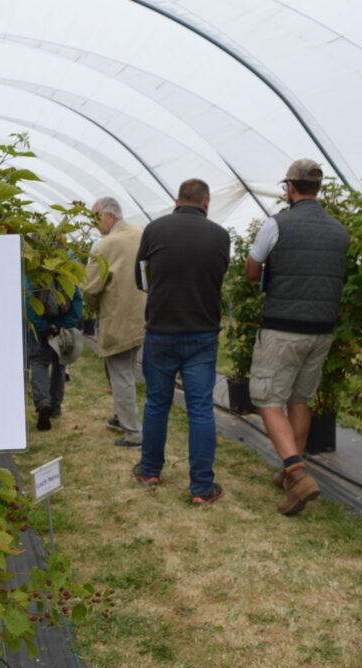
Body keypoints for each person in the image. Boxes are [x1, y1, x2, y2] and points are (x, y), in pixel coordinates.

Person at [245, 159, 349, 515]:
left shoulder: (277, 224)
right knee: (299, 400)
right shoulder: (339, 230)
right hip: (321, 330)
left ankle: (297, 472)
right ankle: (291, 471)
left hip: (282, 327)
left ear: (290, 188)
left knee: (268, 399)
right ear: (318, 188)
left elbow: (250, 270)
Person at [133, 179, 230, 505]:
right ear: (206, 202)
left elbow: (141, 278)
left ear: (177, 199)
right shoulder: (220, 235)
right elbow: (218, 277)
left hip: (161, 331)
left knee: (157, 404)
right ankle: (202, 488)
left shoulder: (154, 229)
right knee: (201, 409)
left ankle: (149, 471)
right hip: (202, 333)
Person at [81, 197, 146, 447]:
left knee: (121, 375)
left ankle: (133, 433)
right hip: (141, 315)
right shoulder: (141, 234)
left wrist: (98, 307)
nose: (96, 224)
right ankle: (121, 417)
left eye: (96, 218)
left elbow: (88, 287)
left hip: (117, 318)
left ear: (108, 216)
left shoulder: (105, 245)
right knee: (128, 370)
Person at [25, 273, 83, 431]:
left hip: (40, 329)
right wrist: (66, 325)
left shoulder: (35, 269)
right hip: (62, 328)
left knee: (38, 363)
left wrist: (41, 326)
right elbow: (77, 299)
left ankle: (43, 403)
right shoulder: (67, 268)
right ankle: (56, 408)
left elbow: (28, 301)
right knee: (60, 364)